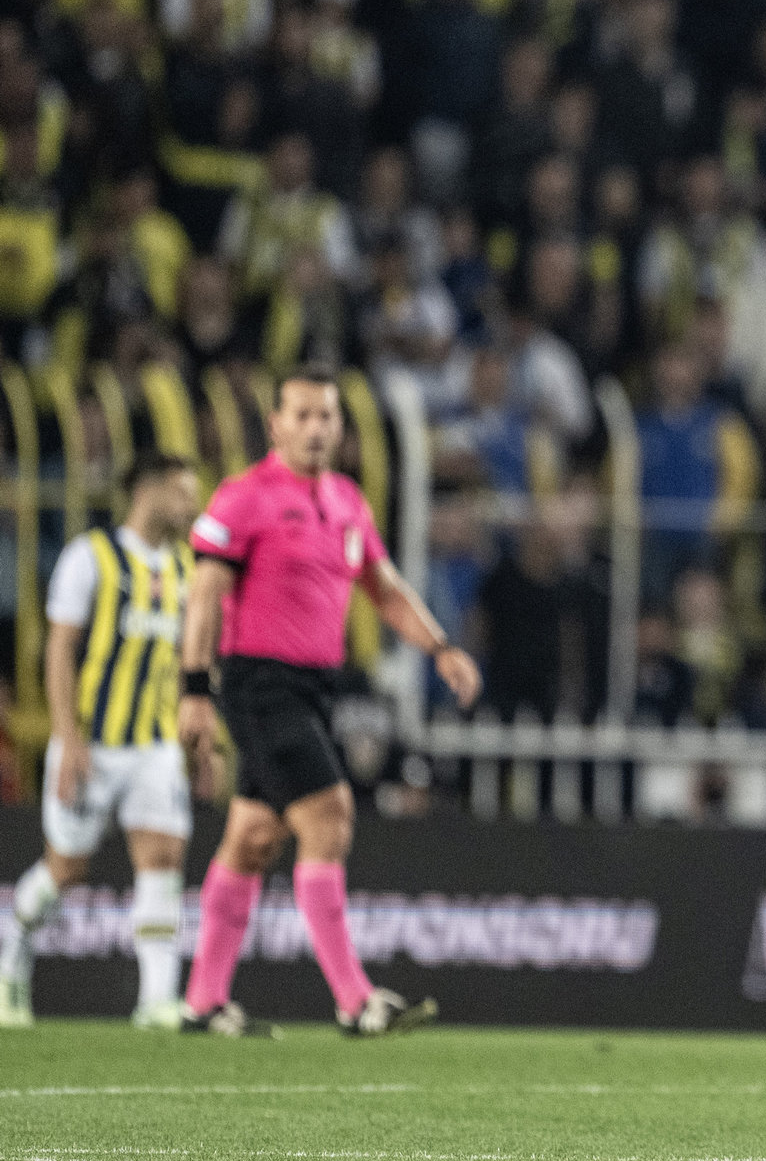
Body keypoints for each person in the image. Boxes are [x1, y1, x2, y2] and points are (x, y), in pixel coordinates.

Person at [177, 366, 482, 1038]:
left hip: (316, 687)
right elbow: (203, 597)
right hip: (258, 681)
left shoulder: (346, 500)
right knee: (329, 815)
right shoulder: (243, 497)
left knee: (253, 836)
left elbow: (385, 586)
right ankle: (355, 1000)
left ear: (341, 428)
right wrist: (194, 690)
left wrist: (441, 649)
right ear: (276, 424)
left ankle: (202, 1001)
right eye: (303, 416)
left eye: (328, 418)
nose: (316, 429)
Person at [0, 455, 205, 1029]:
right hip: (93, 740)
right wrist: (68, 740)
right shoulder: (91, 557)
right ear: (148, 491)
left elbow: (190, 660)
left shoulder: (188, 567)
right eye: (183, 493)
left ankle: (157, 999)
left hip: (156, 744)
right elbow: (59, 650)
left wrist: (194, 743)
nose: (192, 506)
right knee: (66, 868)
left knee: (162, 859)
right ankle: (10, 960)